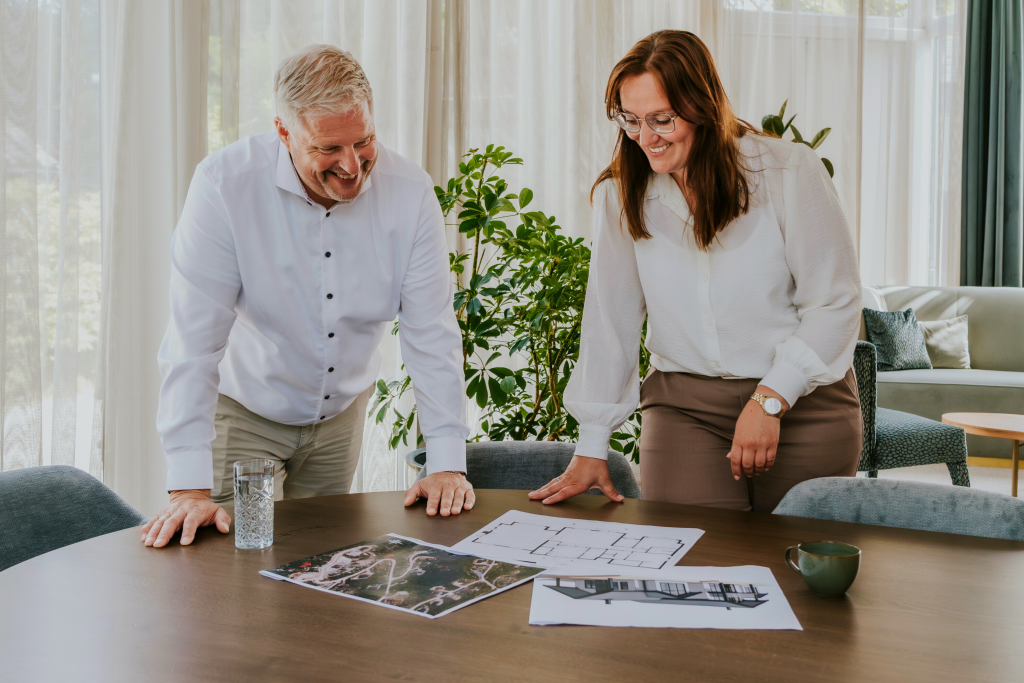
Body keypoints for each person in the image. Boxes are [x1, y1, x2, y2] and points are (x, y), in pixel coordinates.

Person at [141, 45, 472, 549]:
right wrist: (189, 488)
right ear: (284, 132)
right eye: (328, 148)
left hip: (341, 419)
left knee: (323, 561)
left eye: (364, 141)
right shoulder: (224, 185)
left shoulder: (411, 191)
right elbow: (193, 342)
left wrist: (446, 464)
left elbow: (432, 333)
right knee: (230, 565)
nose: (352, 165)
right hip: (246, 411)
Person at [529, 31, 862, 512]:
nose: (645, 138)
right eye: (630, 119)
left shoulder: (789, 171)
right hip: (684, 408)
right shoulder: (621, 194)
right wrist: (592, 443)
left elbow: (834, 302)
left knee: (796, 557)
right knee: (690, 551)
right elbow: (610, 320)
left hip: (805, 406)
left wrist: (771, 397)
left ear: (703, 106)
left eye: (662, 119)